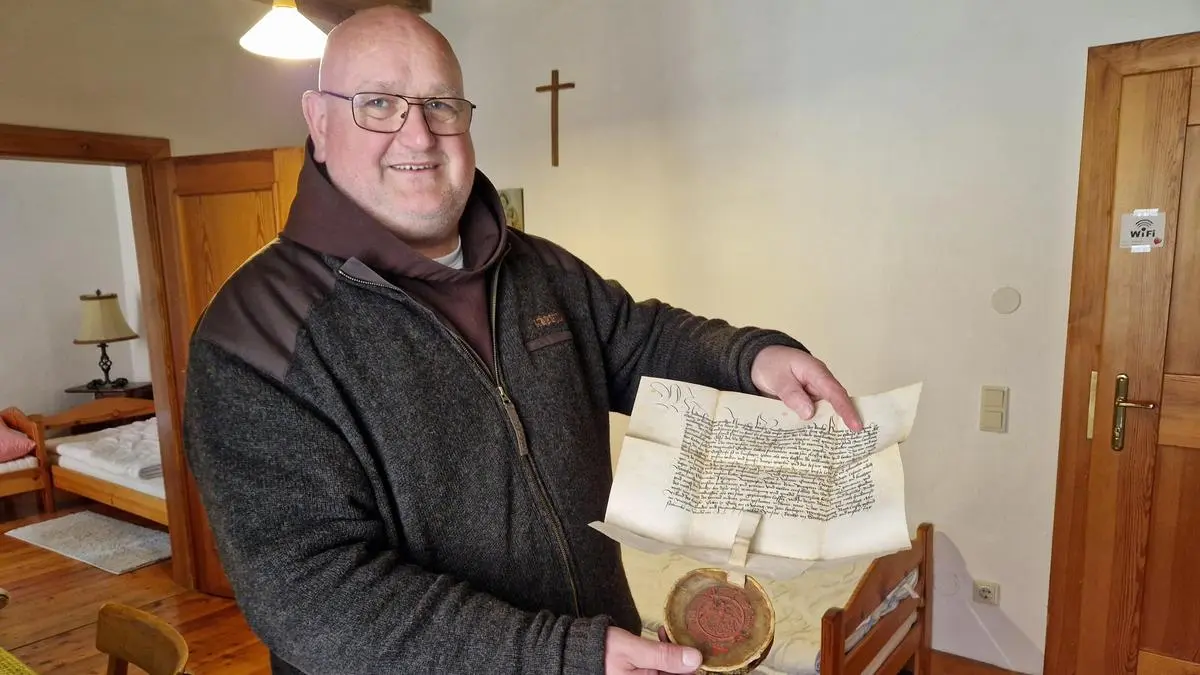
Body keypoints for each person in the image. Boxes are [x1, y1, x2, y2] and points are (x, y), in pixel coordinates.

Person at [182, 7, 862, 675]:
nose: (418, 135)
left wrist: (751, 357)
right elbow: (312, 599)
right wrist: (564, 654)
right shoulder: (253, 336)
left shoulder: (539, 267)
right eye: (379, 104)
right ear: (319, 122)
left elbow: (640, 338)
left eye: (440, 105)